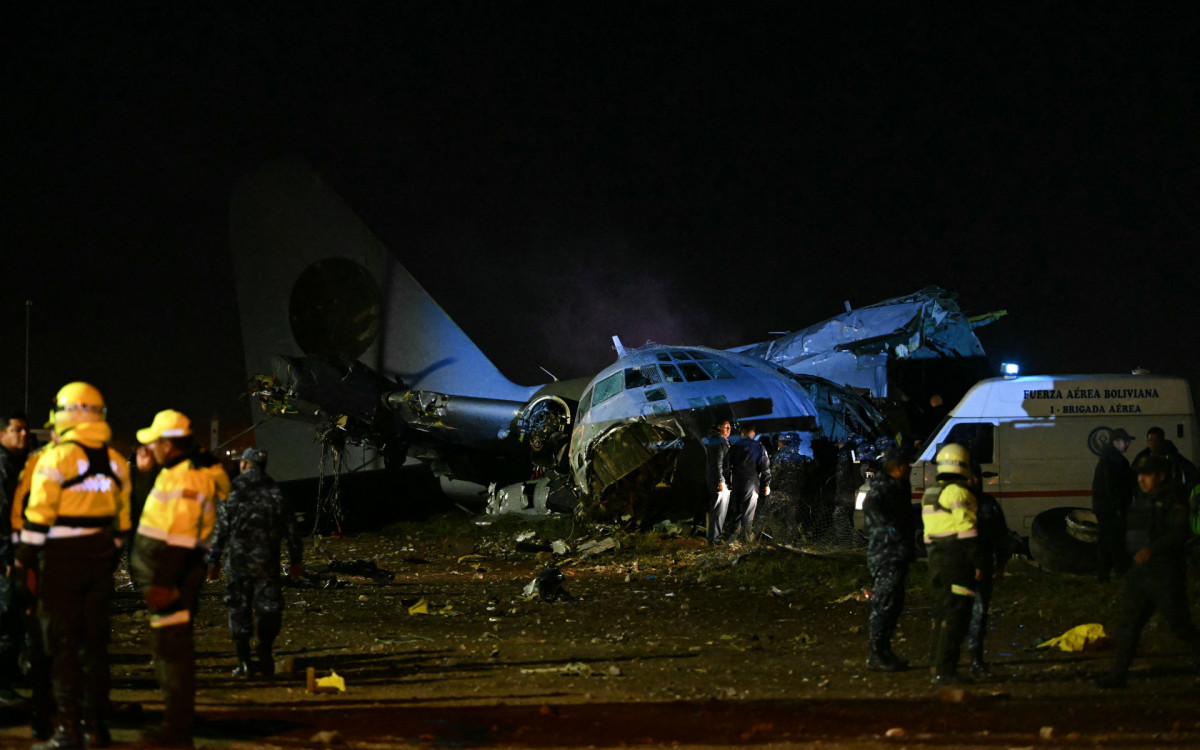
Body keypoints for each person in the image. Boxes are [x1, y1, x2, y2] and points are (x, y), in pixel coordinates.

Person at [14, 383, 130, 749]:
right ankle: (95, 726)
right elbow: (122, 525)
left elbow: (37, 520)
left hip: (60, 564)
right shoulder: (116, 460)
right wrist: (105, 557)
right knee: (94, 647)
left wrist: (22, 564)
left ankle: (68, 730)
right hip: (99, 563)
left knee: (62, 648)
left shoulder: (56, 458)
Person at [130, 410, 227, 747]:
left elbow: (181, 538)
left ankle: (177, 728)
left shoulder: (187, 478)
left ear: (168, 444)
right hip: (173, 576)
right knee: (171, 648)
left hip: (175, 579)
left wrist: (162, 582)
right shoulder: (176, 472)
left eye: (155, 442)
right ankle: (179, 717)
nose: (151, 448)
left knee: (172, 651)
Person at [1096, 454, 1200, 689]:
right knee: (1128, 624)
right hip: (1140, 574)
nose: (1141, 479)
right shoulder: (1141, 499)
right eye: (1140, 475)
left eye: (1147, 475)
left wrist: (1153, 549)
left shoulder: (1173, 501)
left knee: (1180, 626)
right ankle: (1118, 674)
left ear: (1160, 476)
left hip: (1165, 575)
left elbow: (1179, 533)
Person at [207, 447, 303, 679]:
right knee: (269, 608)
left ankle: (244, 662)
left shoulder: (233, 490)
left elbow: (221, 530)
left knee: (238, 609)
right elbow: (292, 529)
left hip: (238, 562)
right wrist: (296, 560)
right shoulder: (276, 491)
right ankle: (265, 647)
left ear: (244, 464)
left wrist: (213, 561)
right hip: (267, 562)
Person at [921, 442, 982, 685]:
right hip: (956, 558)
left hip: (936, 558)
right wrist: (978, 563)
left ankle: (936, 665)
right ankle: (945, 671)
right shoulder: (959, 493)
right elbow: (968, 532)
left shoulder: (931, 493)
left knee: (941, 614)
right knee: (956, 615)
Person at [863, 446, 914, 671]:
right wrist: (893, 532)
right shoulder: (882, 487)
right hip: (885, 553)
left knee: (894, 603)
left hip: (897, 552)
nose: (910, 469)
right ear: (897, 467)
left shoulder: (899, 485)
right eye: (906, 465)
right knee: (884, 603)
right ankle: (877, 653)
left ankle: (884, 650)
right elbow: (873, 512)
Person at [965, 462, 1011, 678]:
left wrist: (1001, 564)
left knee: (978, 615)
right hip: (960, 569)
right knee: (957, 616)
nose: (974, 481)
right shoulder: (957, 503)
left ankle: (976, 659)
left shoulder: (988, 504)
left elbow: (1001, 536)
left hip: (983, 568)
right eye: (969, 477)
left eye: (976, 476)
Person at [0, 411, 31, 705]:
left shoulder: (18, 464)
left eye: (25, 430)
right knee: (5, 619)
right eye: (17, 430)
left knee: (15, 618)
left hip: (15, 554)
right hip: (5, 559)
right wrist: (8, 559)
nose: (24, 435)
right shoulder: (3, 466)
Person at [1092, 428, 1135, 583]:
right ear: (1116, 442)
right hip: (1111, 508)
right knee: (1117, 540)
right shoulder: (1113, 460)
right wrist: (1118, 506)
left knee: (1105, 541)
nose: (1128, 444)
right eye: (1125, 441)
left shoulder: (1108, 458)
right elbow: (1113, 485)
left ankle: (1103, 574)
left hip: (1104, 507)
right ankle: (1121, 571)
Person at [725, 425, 771, 544]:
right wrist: (766, 484)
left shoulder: (735, 447)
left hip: (736, 482)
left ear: (742, 434)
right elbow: (765, 467)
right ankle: (746, 541)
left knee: (737, 512)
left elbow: (726, 465)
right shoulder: (759, 447)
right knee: (748, 512)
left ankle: (732, 539)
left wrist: (727, 481)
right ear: (753, 434)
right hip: (751, 482)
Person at [1131, 426, 1198, 490]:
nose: (1153, 444)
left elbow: (1190, 469)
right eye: (1150, 441)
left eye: (1156, 441)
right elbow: (1134, 472)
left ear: (1162, 441)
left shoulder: (1172, 456)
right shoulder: (1142, 456)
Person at [704, 420, 732, 545]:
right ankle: (714, 540)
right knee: (718, 511)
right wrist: (721, 480)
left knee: (721, 511)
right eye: (726, 427)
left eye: (730, 427)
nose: (729, 429)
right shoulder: (717, 441)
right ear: (719, 427)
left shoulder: (722, 441)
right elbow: (717, 463)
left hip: (722, 481)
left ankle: (716, 538)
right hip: (719, 481)